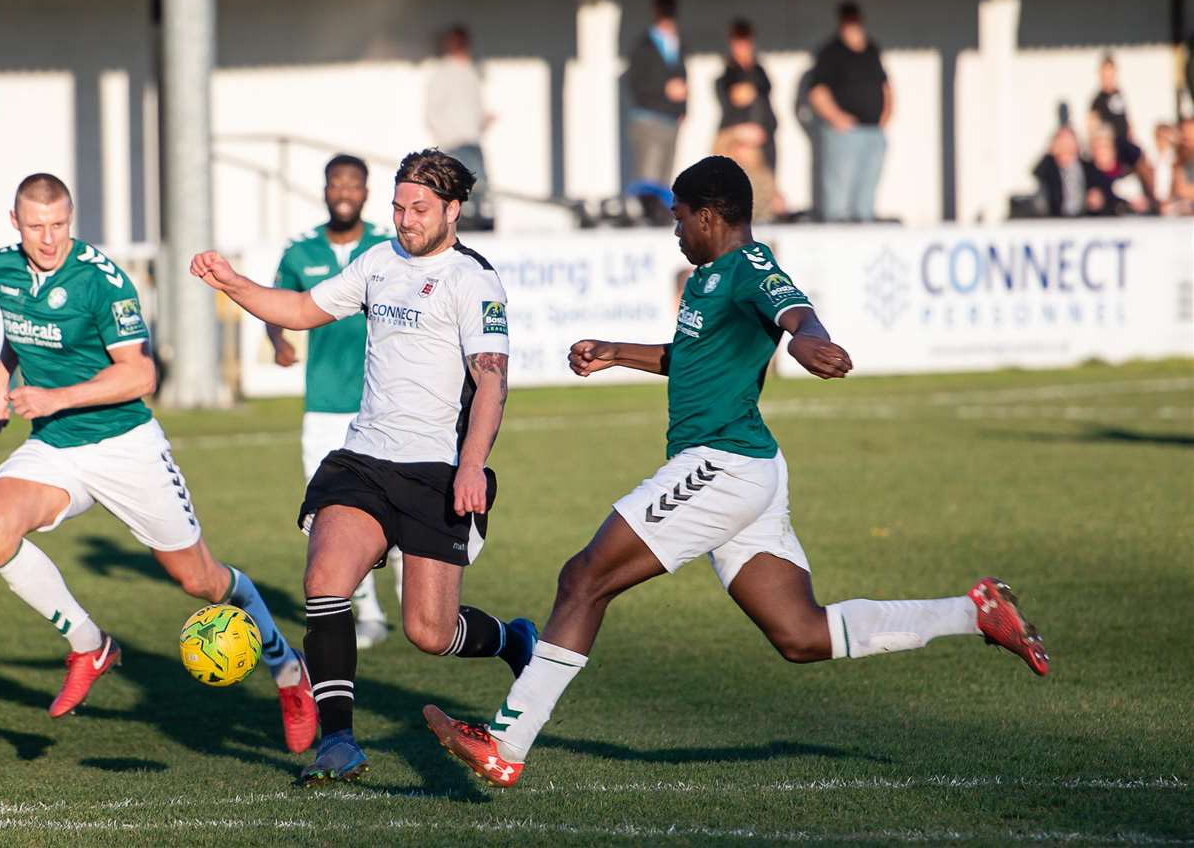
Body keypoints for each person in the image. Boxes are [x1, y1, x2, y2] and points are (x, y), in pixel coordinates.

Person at [423, 155, 1049, 789]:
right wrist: (616, 352)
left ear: (709, 216)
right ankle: (973, 612)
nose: (674, 232)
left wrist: (806, 344)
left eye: (678, 219)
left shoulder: (751, 269)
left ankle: (506, 741)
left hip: (722, 465)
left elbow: (798, 316)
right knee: (801, 634)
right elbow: (692, 359)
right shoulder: (707, 277)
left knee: (584, 578)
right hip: (749, 468)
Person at [191, 149, 536, 786]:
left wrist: (471, 467)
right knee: (325, 581)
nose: (405, 220)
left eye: (419, 209)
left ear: (453, 211)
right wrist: (233, 283)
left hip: (435, 470)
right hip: (364, 459)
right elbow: (300, 310)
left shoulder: (473, 280)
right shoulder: (378, 262)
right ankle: (339, 741)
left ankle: (515, 642)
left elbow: (491, 382)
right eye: (399, 207)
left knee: (429, 632)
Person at [0, 173, 316, 753]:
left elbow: (142, 374)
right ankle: (90, 645)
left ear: (72, 218)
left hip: (126, 446)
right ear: (15, 223)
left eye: (59, 225)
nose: (49, 238)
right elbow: (17, 328)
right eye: (36, 227)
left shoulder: (102, 283)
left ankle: (288, 670)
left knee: (200, 581)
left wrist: (53, 397)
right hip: (57, 445)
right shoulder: (1, 269)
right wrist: (0, 383)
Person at [267, 154, 397, 649]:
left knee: (395, 505)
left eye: (354, 184)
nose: (344, 191)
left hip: (381, 402)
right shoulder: (300, 251)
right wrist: (277, 339)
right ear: (324, 190)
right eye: (335, 183)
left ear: (366, 191)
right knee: (331, 516)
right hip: (322, 406)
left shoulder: (386, 247)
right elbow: (277, 302)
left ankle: (409, 582)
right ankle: (367, 612)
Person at [808, 1, 891, 222]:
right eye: (848, 20)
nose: (852, 25)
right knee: (839, 198)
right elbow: (817, 91)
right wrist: (837, 118)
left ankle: (864, 233)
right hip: (844, 134)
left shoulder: (871, 48)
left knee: (866, 197)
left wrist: (885, 115)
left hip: (873, 132)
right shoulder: (830, 52)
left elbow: (885, 84)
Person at [713, 19, 783, 222]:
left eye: (746, 41)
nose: (743, 47)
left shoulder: (759, 72)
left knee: (764, 203)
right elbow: (738, 96)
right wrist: (741, 134)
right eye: (738, 41)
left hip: (763, 148)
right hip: (739, 148)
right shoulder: (729, 74)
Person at [423, 25, 493, 222]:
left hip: (472, 141)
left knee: (481, 188)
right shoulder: (444, 73)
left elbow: (472, 108)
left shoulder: (471, 71)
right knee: (460, 188)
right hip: (455, 143)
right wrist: (447, 137)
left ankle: (482, 223)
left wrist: (482, 121)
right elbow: (432, 111)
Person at [623, 0, 687, 190]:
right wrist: (665, 88)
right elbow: (635, 82)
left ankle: (658, 217)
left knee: (664, 180)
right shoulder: (644, 46)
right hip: (649, 118)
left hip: (670, 119)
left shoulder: (676, 44)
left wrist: (682, 110)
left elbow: (682, 80)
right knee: (647, 179)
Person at [1089, 54, 1158, 209]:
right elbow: (1092, 124)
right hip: (1112, 144)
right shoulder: (1098, 99)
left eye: (1111, 74)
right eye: (1105, 74)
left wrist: (1131, 136)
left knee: (1142, 161)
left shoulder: (1118, 94)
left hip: (1123, 142)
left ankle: (1151, 197)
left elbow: (1126, 119)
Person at [1031, 125, 1110, 219]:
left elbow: (1103, 191)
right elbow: (1036, 173)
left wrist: (1098, 199)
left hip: (1084, 220)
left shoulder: (1089, 167)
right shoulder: (1049, 168)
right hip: (1056, 220)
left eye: (1069, 141)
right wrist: (1049, 152)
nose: (1066, 146)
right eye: (1062, 142)